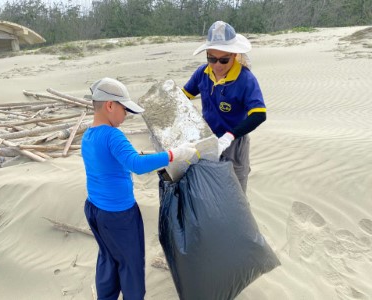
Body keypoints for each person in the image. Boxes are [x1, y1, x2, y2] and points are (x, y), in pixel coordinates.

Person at [81, 77, 197, 300]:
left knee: (108, 258)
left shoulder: (89, 135)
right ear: (110, 105)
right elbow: (135, 165)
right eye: (125, 110)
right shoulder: (113, 135)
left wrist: (147, 157)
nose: (126, 116)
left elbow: (111, 163)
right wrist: (175, 154)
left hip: (95, 210)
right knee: (131, 265)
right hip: (119, 214)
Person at [182, 20, 267, 194]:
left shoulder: (245, 79)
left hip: (235, 141)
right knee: (209, 187)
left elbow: (259, 114)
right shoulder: (202, 73)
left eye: (224, 60)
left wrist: (229, 136)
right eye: (212, 58)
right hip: (207, 140)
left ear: (234, 55)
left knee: (235, 189)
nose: (217, 65)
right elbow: (184, 96)